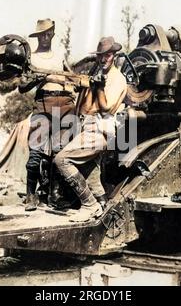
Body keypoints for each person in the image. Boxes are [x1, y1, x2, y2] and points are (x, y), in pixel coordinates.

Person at [54, 36, 128, 222]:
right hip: (87, 127)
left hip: (100, 130)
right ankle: (104, 209)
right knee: (90, 173)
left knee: (61, 160)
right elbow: (83, 105)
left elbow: (107, 107)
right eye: (101, 56)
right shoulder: (97, 75)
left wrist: (98, 87)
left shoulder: (117, 79)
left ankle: (90, 205)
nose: (104, 59)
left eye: (108, 55)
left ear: (114, 56)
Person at [18, 19, 76, 211]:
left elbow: (73, 77)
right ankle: (30, 195)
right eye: (41, 34)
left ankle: (55, 196)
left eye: (48, 33)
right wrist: (37, 78)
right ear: (37, 37)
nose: (45, 37)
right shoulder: (32, 58)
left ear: (52, 34)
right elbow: (22, 86)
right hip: (43, 104)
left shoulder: (60, 55)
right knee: (36, 151)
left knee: (60, 153)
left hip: (65, 104)